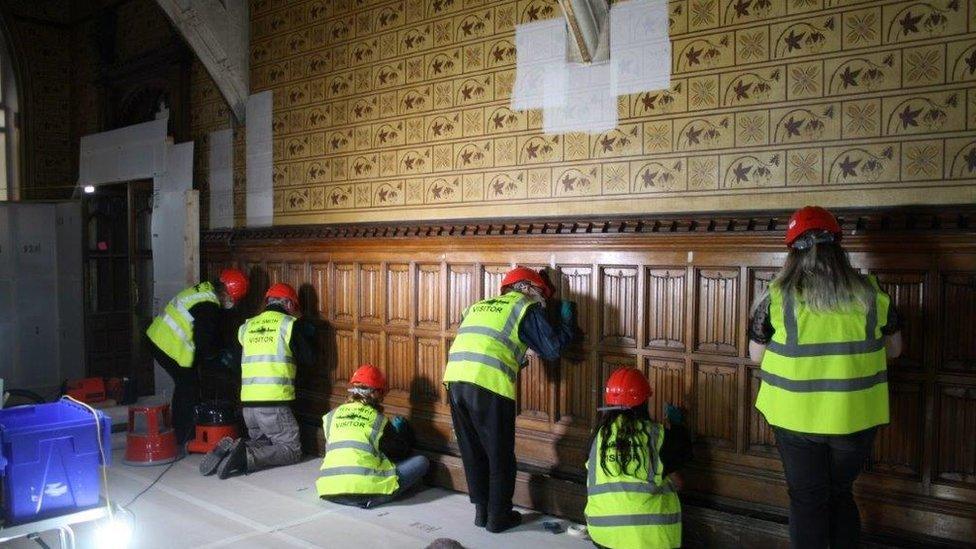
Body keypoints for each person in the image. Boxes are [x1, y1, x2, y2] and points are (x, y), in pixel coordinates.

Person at [748, 206, 903, 549]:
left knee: (808, 501)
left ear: (792, 252)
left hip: (795, 419)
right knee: (840, 494)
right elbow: (894, 350)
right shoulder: (872, 295)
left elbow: (756, 356)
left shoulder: (776, 297)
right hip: (854, 417)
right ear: (838, 247)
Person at [443, 266, 582, 533]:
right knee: (499, 455)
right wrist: (567, 323)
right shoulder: (523, 306)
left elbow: (486, 341)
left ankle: (481, 512)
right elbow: (552, 349)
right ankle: (499, 518)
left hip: (455, 380)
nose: (543, 300)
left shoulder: (479, 306)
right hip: (488, 384)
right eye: (542, 293)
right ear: (527, 288)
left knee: (473, 451)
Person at [201, 283, 317, 478]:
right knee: (291, 449)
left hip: (248, 405)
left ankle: (231, 450)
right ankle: (246, 456)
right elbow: (309, 359)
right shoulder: (289, 325)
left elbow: (237, 360)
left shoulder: (247, 326)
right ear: (288, 303)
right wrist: (306, 332)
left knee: (264, 442)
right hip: (274, 403)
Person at [585, 367, 691, 549]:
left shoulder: (598, 436)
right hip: (648, 540)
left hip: (602, 534)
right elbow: (679, 482)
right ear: (643, 402)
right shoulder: (656, 435)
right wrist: (678, 425)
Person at [146, 268, 249, 445]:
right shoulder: (209, 305)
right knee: (188, 387)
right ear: (226, 294)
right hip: (167, 345)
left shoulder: (204, 290)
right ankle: (183, 437)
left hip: (157, 338)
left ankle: (184, 431)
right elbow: (205, 341)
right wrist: (219, 358)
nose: (232, 303)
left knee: (186, 385)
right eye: (233, 299)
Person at [316, 364, 430, 507]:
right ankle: (374, 499)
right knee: (421, 462)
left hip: (329, 489)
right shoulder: (377, 420)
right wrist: (401, 433)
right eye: (382, 393)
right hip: (364, 491)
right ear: (376, 393)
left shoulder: (332, 415)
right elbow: (399, 451)